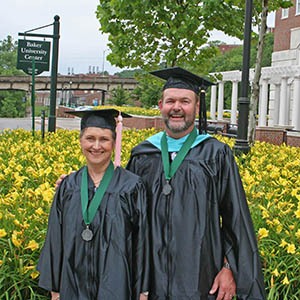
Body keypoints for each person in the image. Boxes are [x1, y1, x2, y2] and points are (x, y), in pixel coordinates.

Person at [126, 67, 266, 300]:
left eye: (185, 101)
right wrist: (77, 185)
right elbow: (122, 211)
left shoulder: (216, 154)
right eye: (170, 101)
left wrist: (228, 267)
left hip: (201, 277)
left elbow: (235, 217)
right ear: (160, 105)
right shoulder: (142, 154)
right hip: (150, 278)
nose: (177, 107)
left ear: (197, 107)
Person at [37, 109, 148, 300]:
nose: (96, 146)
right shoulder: (69, 186)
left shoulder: (132, 186)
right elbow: (55, 238)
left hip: (117, 286)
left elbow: (142, 242)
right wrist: (55, 288)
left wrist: (142, 291)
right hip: (73, 285)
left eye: (104, 139)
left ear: (114, 143)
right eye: (90, 138)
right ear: (80, 141)